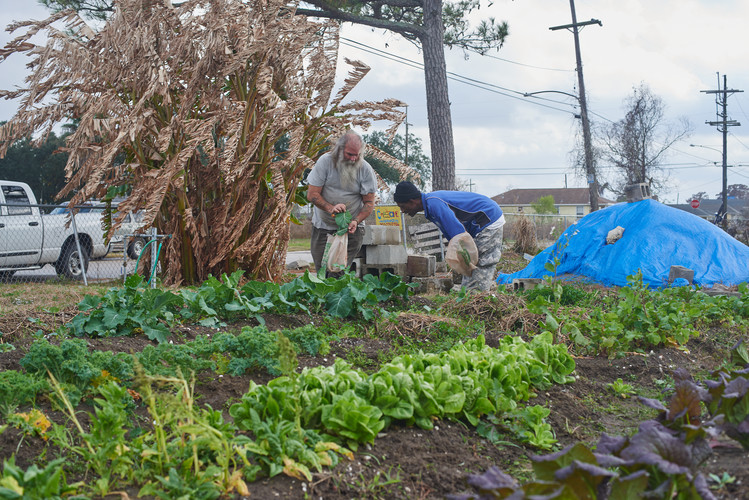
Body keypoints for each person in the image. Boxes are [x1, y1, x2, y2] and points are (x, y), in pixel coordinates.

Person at [394, 181, 505, 291]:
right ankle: (470, 296)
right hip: (481, 221)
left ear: (412, 201)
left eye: (402, 206)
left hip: (489, 218)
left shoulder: (434, 204)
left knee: (481, 263)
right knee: (470, 264)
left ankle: (476, 298)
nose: (402, 211)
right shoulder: (430, 205)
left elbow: (459, 235)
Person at [307, 131, 377, 274]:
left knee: (338, 272)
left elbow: (369, 203)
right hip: (323, 226)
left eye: (356, 154)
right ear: (339, 150)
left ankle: (337, 295)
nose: (353, 158)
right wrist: (330, 208)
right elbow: (312, 194)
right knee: (322, 271)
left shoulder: (365, 169)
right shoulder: (325, 162)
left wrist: (356, 221)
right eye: (349, 154)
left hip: (351, 229)